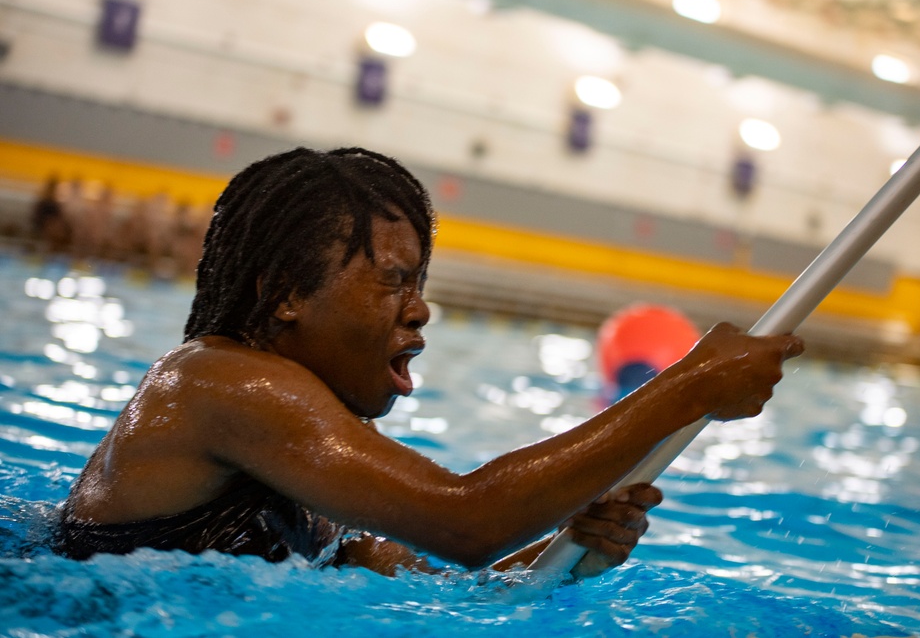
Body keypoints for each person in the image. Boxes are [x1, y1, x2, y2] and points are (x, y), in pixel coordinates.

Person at [55, 147, 803, 578]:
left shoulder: (308, 465)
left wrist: (560, 553)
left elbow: (444, 586)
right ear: (285, 294)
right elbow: (466, 518)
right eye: (393, 280)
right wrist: (691, 384)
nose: (419, 310)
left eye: (420, 285)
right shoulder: (217, 381)